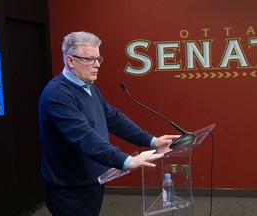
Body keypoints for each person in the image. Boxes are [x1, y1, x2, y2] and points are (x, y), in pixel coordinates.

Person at [38, 31, 179, 216]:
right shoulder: (58, 94)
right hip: (68, 189)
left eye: (98, 58)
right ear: (71, 61)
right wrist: (126, 161)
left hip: (93, 180)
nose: (97, 65)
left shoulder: (87, 86)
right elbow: (84, 137)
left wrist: (152, 141)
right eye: (90, 59)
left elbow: (112, 117)